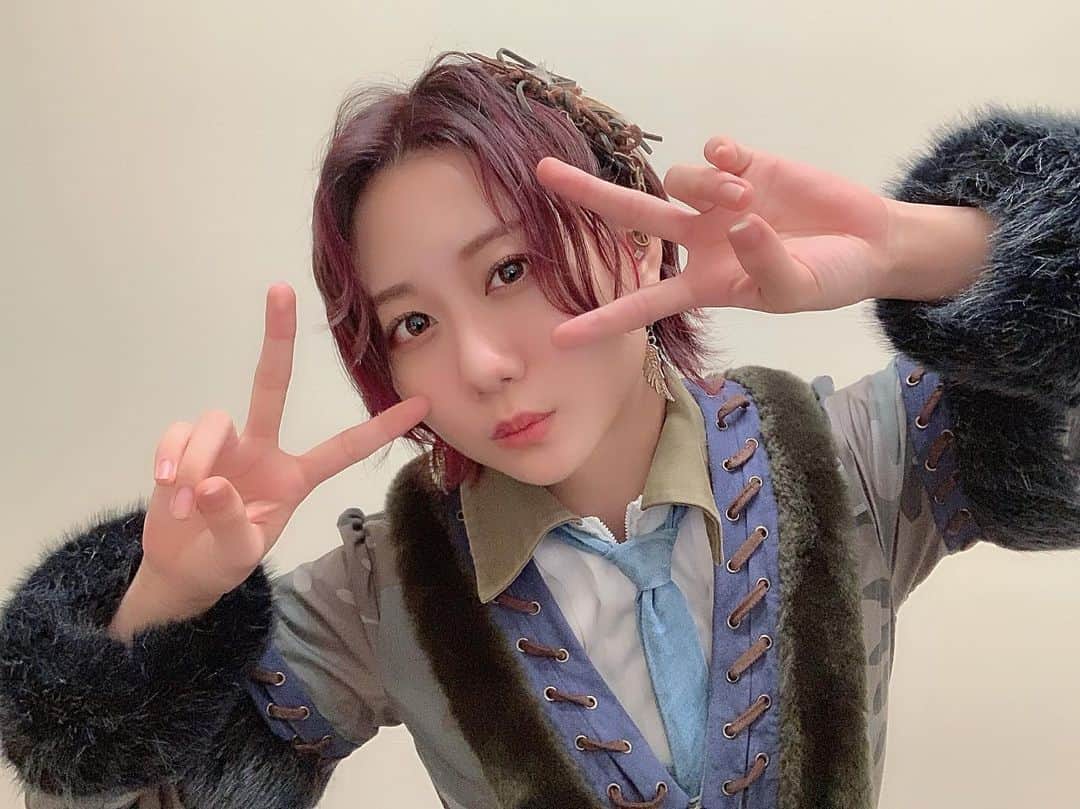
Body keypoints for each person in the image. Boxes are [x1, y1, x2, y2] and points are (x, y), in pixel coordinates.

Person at [1, 47, 1077, 809]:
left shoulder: (848, 460)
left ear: (638, 236)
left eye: (510, 268)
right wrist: (164, 605)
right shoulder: (389, 588)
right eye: (413, 322)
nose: (480, 361)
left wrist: (920, 254)